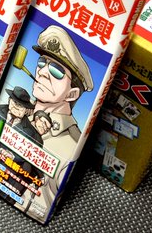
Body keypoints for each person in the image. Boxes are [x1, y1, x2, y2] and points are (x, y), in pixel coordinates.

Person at [23, 25, 94, 215]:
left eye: (56, 71)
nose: (42, 72)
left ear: (72, 94)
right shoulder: (17, 112)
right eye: (41, 63)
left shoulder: (71, 145)